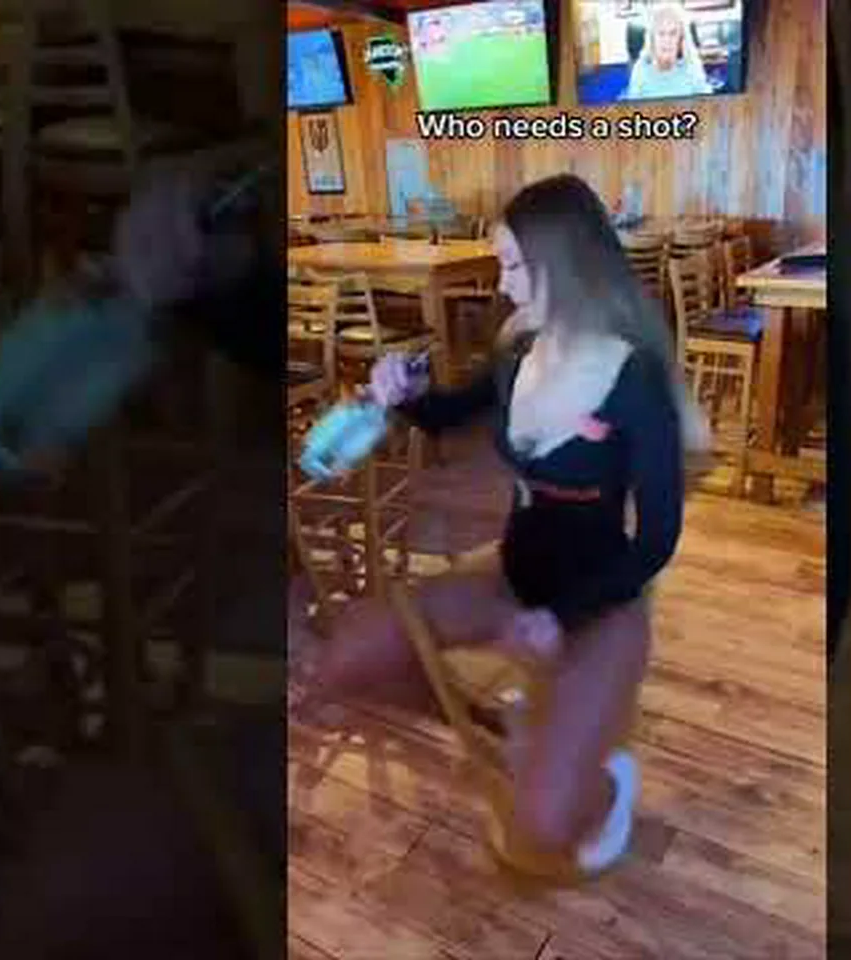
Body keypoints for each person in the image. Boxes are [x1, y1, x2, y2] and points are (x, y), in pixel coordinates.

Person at [290, 174, 708, 873]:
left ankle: (607, 783)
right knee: (349, 657)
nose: (503, 284)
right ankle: (511, 730)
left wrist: (558, 619)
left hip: (597, 605)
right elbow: (450, 416)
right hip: (514, 582)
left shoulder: (632, 380)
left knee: (544, 826)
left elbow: (657, 540)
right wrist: (406, 395)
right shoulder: (521, 355)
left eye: (514, 265)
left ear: (562, 264)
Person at [622, 3, 712, 102]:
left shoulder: (693, 67)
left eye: (673, 34)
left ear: (681, 38)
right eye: (661, 34)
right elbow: (634, 108)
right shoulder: (641, 70)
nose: (667, 40)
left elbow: (707, 106)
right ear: (652, 39)